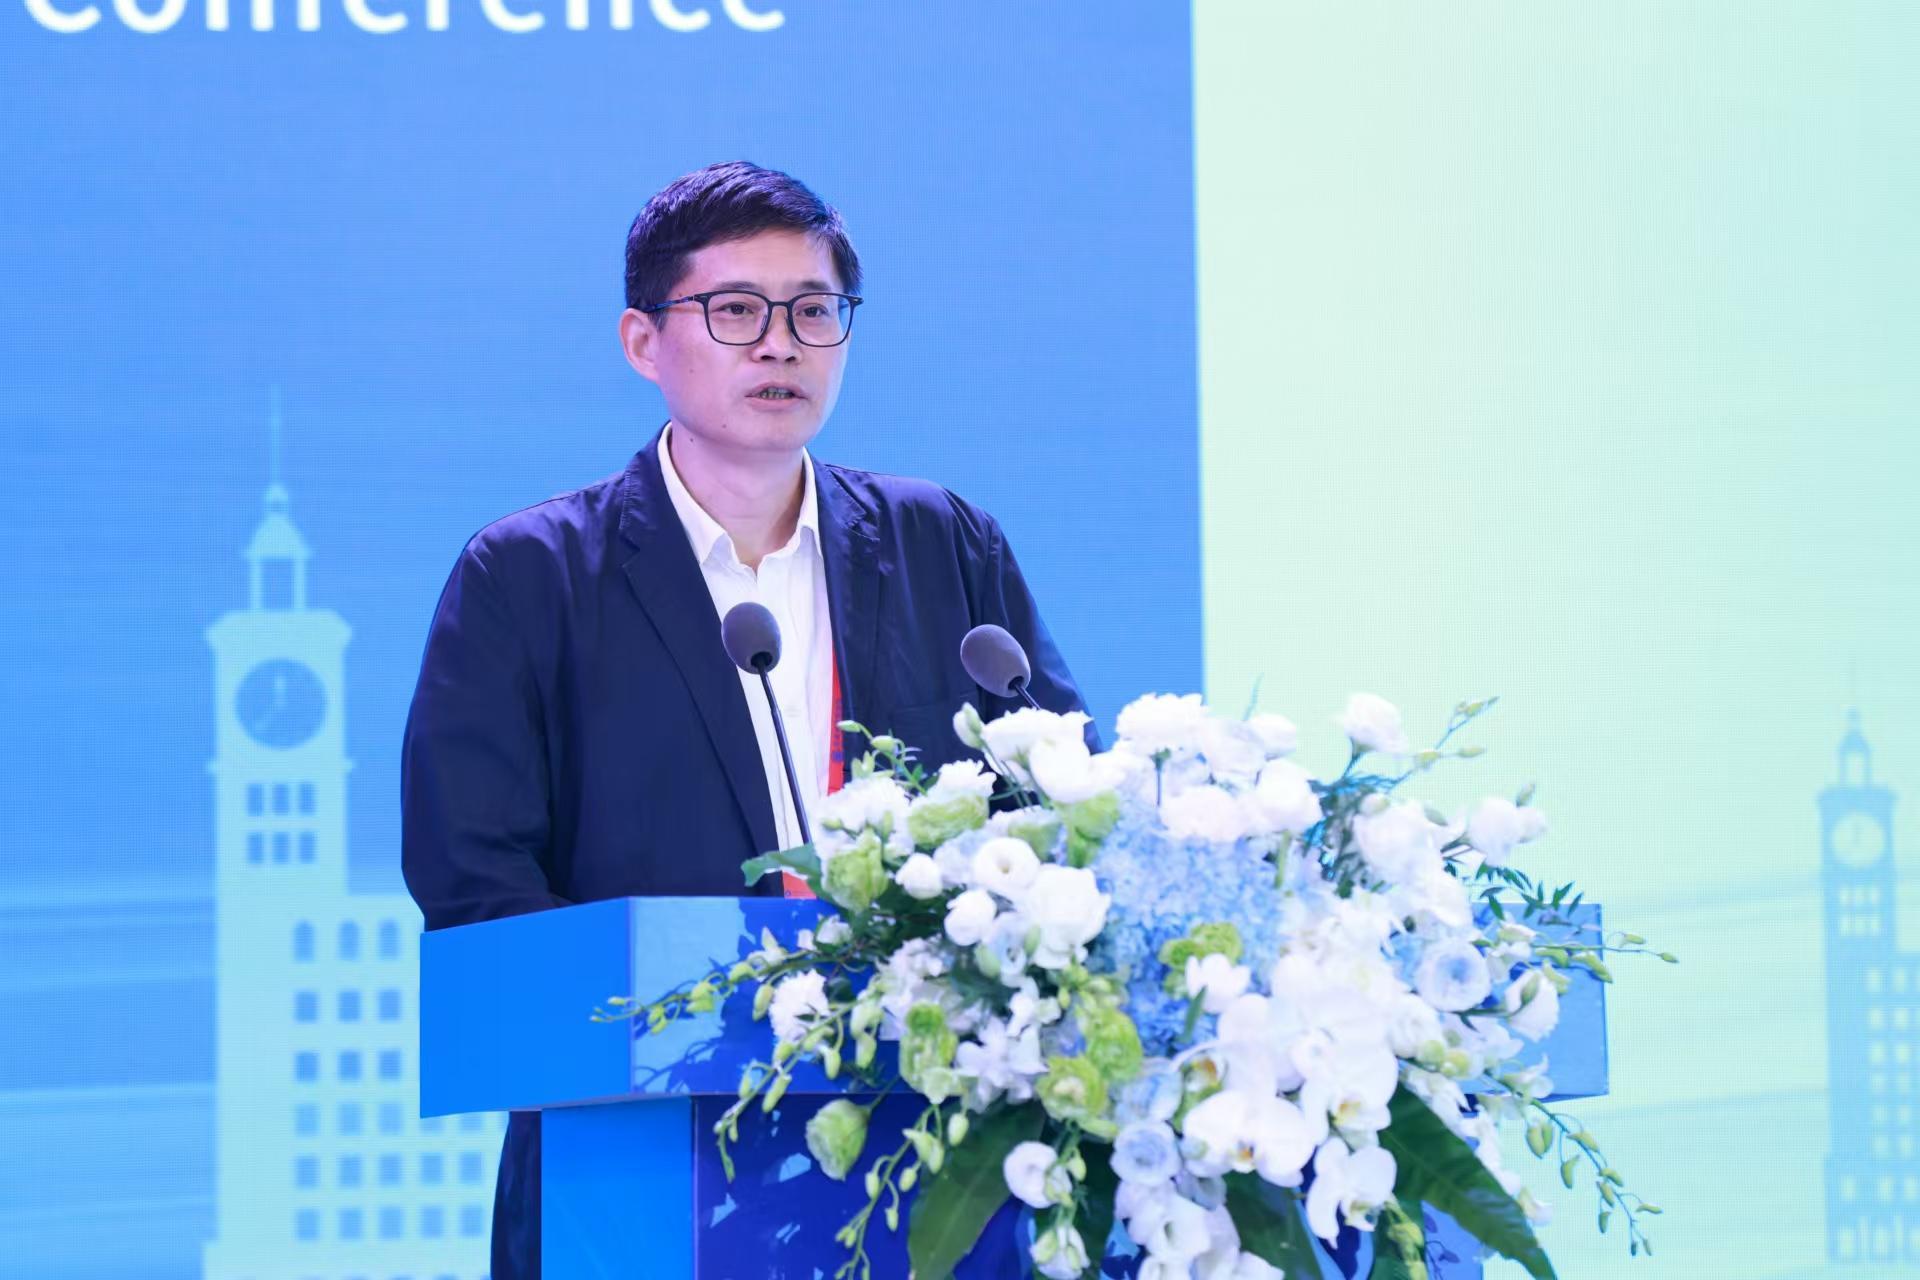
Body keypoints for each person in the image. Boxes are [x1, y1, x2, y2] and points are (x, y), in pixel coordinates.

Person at [400, 160, 1092, 1280]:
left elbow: (1061, 806)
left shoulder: (944, 544)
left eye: (813, 311)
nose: (781, 345)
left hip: (938, 1150)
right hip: (637, 1164)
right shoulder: (529, 576)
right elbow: (475, 883)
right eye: (736, 311)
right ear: (643, 341)